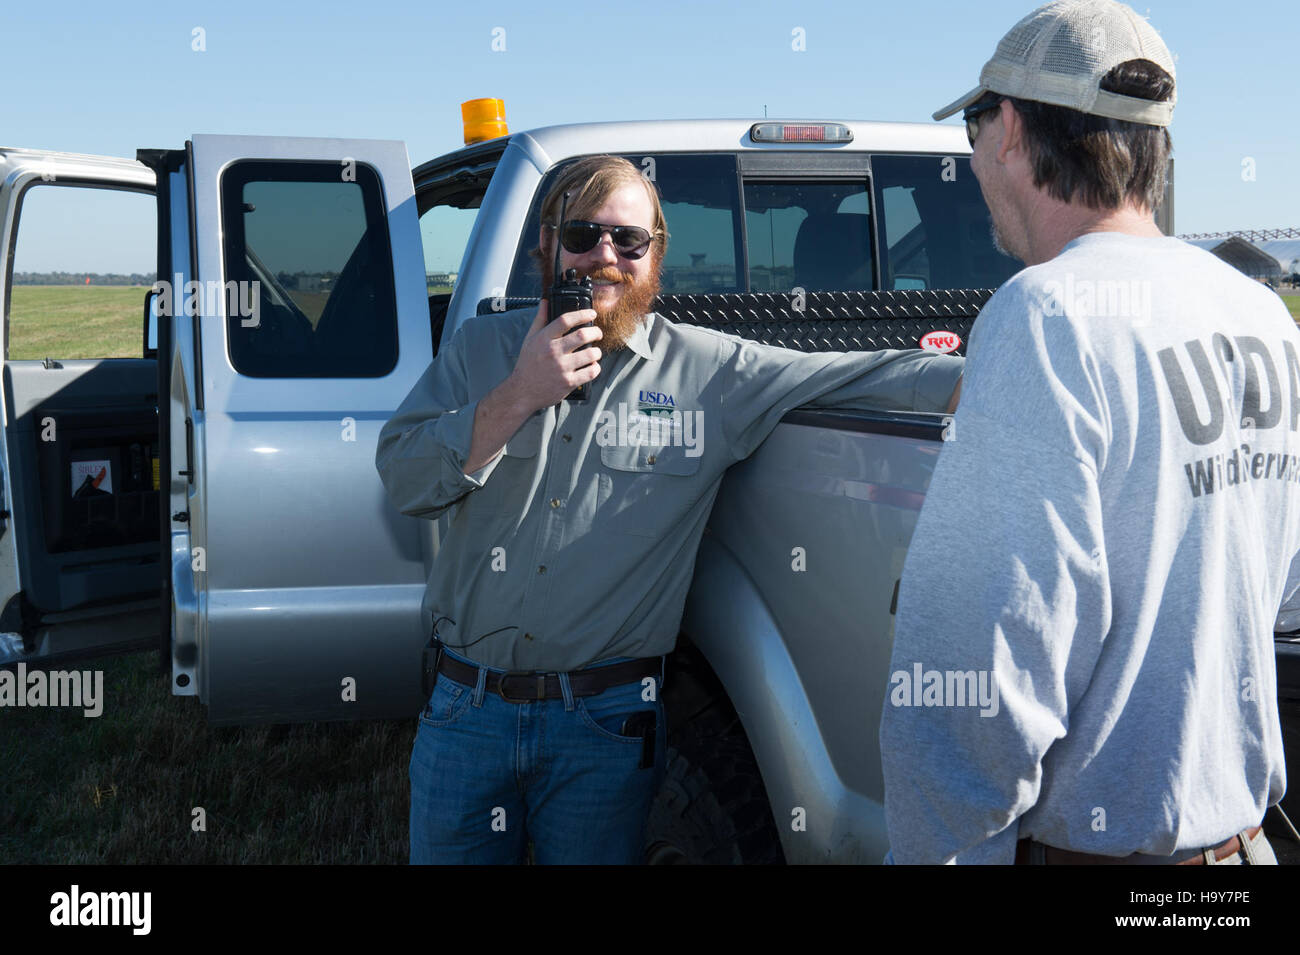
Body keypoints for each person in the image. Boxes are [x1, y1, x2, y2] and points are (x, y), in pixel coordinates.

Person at [376, 154, 963, 864]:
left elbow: (863, 375)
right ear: (546, 244)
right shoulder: (481, 350)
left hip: (602, 728)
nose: (605, 256)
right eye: (583, 234)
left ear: (656, 258)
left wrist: (996, 369)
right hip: (467, 712)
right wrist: (518, 395)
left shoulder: (709, 373)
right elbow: (404, 480)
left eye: (629, 241)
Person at [880, 0, 1298, 864]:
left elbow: (979, 680)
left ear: (1011, 130)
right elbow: (1282, 593)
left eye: (973, 120)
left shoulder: (1046, 315)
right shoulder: (1259, 311)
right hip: (1240, 849)